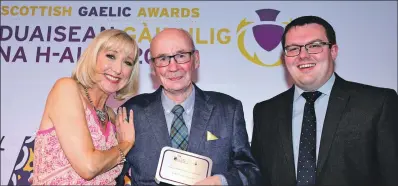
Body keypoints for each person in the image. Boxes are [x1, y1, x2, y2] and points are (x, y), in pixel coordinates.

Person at [250, 15, 398, 186]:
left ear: (333, 51)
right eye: (293, 49)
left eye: (314, 46)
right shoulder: (265, 112)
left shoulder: (377, 103)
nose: (303, 55)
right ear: (284, 57)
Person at [115, 28, 262, 186]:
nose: (173, 67)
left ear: (196, 59)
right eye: (163, 59)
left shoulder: (228, 109)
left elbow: (250, 171)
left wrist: (221, 181)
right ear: (152, 67)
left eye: (181, 56)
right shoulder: (131, 112)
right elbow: (114, 175)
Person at [32, 29, 140, 185]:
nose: (118, 69)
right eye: (111, 56)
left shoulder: (112, 116)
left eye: (127, 62)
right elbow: (88, 167)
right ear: (93, 57)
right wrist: (126, 144)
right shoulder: (66, 89)